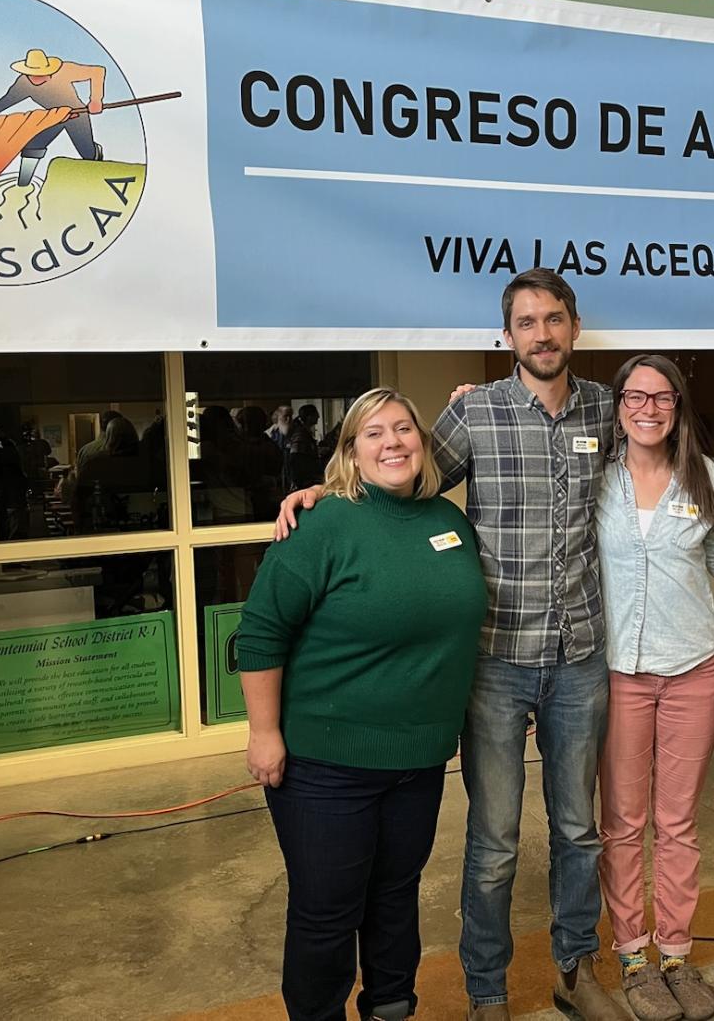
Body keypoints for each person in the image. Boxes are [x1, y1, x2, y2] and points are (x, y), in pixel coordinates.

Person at [278, 269, 627, 1021]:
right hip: (496, 661)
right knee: (495, 840)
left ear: (573, 326)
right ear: (509, 337)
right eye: (527, 322)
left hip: (579, 657)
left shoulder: (606, 407)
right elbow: (393, 472)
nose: (542, 334)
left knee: (578, 830)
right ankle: (488, 992)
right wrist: (318, 491)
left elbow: (655, 471)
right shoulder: (476, 415)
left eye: (554, 319)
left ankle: (576, 968)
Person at [238, 388, 487, 1021]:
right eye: (373, 433)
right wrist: (264, 732)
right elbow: (261, 631)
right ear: (350, 451)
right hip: (327, 763)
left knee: (396, 897)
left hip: (420, 759)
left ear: (423, 444)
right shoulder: (322, 524)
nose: (393, 442)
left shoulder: (448, 522)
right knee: (327, 912)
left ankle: (392, 1007)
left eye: (403, 429)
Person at [595, 355, 714, 1021]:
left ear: (678, 407)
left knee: (678, 824)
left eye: (662, 398)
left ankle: (675, 951)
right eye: (634, 396)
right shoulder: (593, 483)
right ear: (618, 404)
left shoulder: (712, 481)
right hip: (618, 673)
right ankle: (633, 957)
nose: (647, 408)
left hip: (694, 670)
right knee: (623, 825)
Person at [0, 48, 106, 184]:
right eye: (33, 74)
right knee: (33, 146)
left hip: (76, 115)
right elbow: (8, 99)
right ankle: (23, 184)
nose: (37, 78)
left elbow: (97, 71)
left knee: (86, 152)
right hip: (52, 117)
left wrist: (96, 99)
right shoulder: (23, 84)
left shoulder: (65, 71)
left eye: (42, 74)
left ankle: (96, 168)